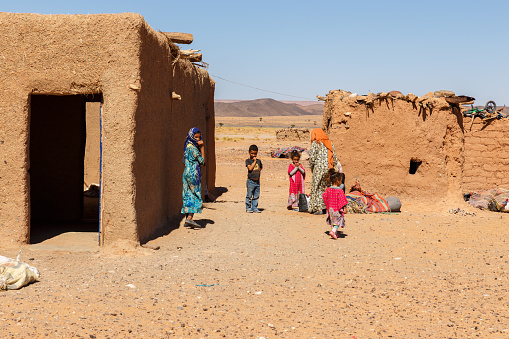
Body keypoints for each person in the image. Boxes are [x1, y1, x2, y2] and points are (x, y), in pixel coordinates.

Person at [308, 128, 341, 214]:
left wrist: (311, 166)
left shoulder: (316, 143)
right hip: (328, 169)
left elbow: (312, 157)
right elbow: (334, 157)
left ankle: (316, 208)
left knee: (316, 187)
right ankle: (324, 207)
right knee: (324, 187)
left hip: (318, 168)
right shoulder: (329, 143)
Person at [182, 127, 205, 227]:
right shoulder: (193, 149)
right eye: (196, 137)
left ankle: (187, 220)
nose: (198, 140)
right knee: (195, 194)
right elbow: (202, 161)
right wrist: (203, 147)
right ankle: (190, 218)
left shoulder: (187, 146)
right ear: (192, 136)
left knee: (187, 194)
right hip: (193, 174)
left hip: (186, 173)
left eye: (199, 138)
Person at [322, 171, 348, 240]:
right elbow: (342, 200)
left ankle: (335, 232)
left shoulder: (328, 189)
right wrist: (344, 208)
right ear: (337, 180)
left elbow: (324, 196)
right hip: (337, 209)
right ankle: (333, 231)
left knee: (333, 221)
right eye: (340, 180)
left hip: (330, 209)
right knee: (338, 221)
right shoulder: (340, 191)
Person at [245, 144, 262, 213]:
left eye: (255, 154)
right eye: (252, 153)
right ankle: (248, 207)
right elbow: (250, 168)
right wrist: (254, 162)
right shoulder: (248, 161)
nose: (253, 155)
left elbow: (260, 168)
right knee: (249, 195)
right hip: (250, 181)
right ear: (249, 153)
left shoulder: (259, 161)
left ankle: (254, 207)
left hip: (257, 181)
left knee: (256, 196)